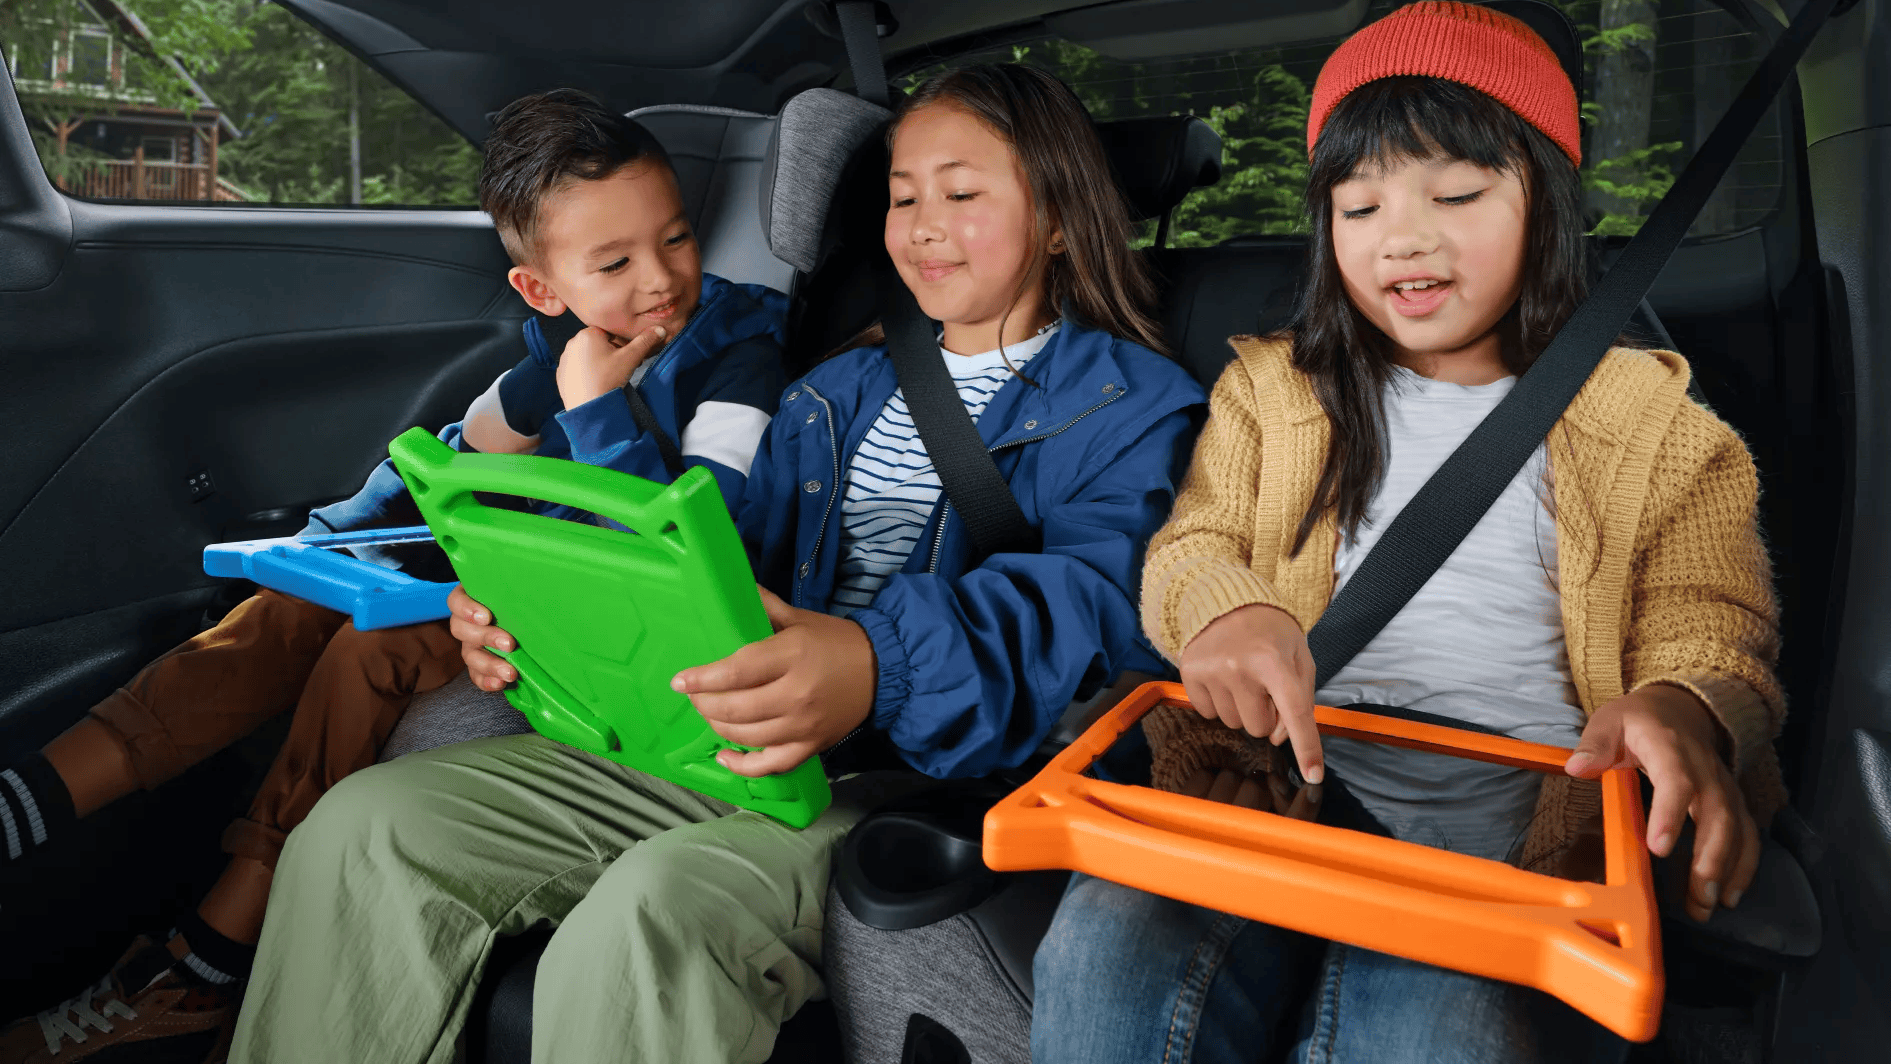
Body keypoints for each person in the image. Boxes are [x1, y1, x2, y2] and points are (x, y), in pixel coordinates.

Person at [223, 63, 1206, 1064]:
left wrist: (873, 662)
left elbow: (1096, 606)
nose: (919, 223)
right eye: (902, 195)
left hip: (904, 773)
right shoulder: (835, 386)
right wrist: (531, 614)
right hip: (718, 741)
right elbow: (713, 564)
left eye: (960, 194)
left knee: (652, 912)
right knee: (363, 829)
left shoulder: (1133, 405)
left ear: (1054, 216)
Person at [1031, 4, 1786, 1062]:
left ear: (1548, 202)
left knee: (1433, 1029)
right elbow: (1189, 548)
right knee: (1098, 950)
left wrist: (1679, 705)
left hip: (1498, 845)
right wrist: (1230, 610)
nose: (1403, 235)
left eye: (1458, 193)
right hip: (1265, 793)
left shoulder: (1651, 421)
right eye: (1358, 203)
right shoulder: (1270, 393)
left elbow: (1711, 617)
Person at [2, 88, 786, 1063]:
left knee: (361, 655)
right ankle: (27, 797)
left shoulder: (739, 347)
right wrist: (329, 543)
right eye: (615, 262)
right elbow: (464, 454)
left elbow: (701, 540)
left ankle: (205, 962)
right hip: (531, 589)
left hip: (618, 628)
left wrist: (599, 413)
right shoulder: (565, 347)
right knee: (279, 617)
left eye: (674, 239)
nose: (663, 279)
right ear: (541, 291)